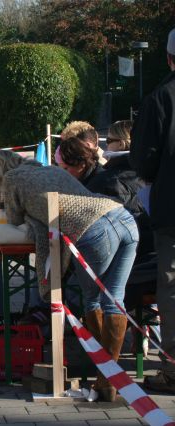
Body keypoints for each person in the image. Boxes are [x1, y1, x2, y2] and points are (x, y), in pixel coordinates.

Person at [0, 150, 138, 402]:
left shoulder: (12, 179)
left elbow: (13, 221)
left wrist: (15, 208)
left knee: (93, 301)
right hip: (124, 219)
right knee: (115, 300)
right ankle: (108, 381)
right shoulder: (51, 169)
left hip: (94, 230)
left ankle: (106, 378)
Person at [129, 27, 175, 394]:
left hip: (172, 211)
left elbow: (143, 162)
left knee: (171, 287)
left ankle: (173, 371)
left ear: (170, 58)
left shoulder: (161, 99)